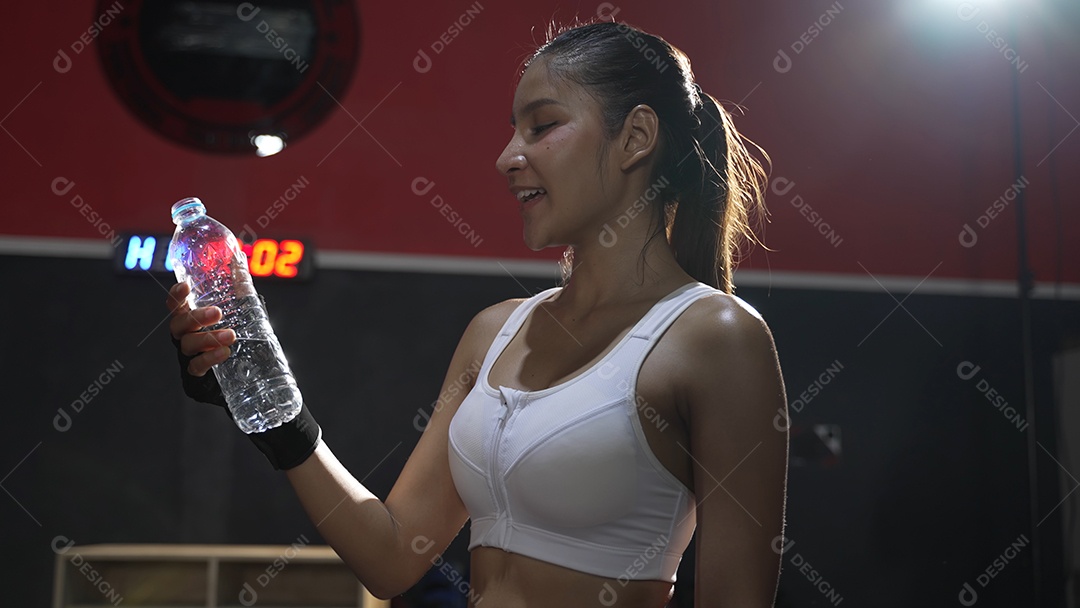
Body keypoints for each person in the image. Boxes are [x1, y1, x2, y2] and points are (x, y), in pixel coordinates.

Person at [167, 20, 788, 608]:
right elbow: (391, 557)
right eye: (514, 130)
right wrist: (269, 409)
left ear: (636, 137)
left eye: (542, 126)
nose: (508, 157)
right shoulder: (495, 332)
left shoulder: (716, 338)